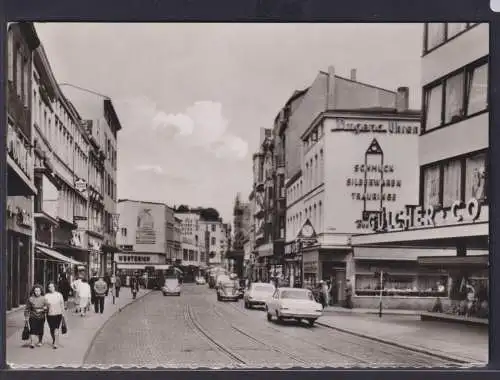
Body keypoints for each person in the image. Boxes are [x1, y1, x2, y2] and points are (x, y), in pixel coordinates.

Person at [45, 282, 65, 349]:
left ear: (54, 287)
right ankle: (54, 339)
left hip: (58, 314)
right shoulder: (46, 296)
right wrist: (45, 308)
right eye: (49, 287)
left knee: (56, 328)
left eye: (52, 286)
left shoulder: (59, 295)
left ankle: (56, 343)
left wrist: (63, 314)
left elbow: (62, 305)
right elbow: (45, 306)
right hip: (49, 315)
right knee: (51, 329)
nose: (50, 288)